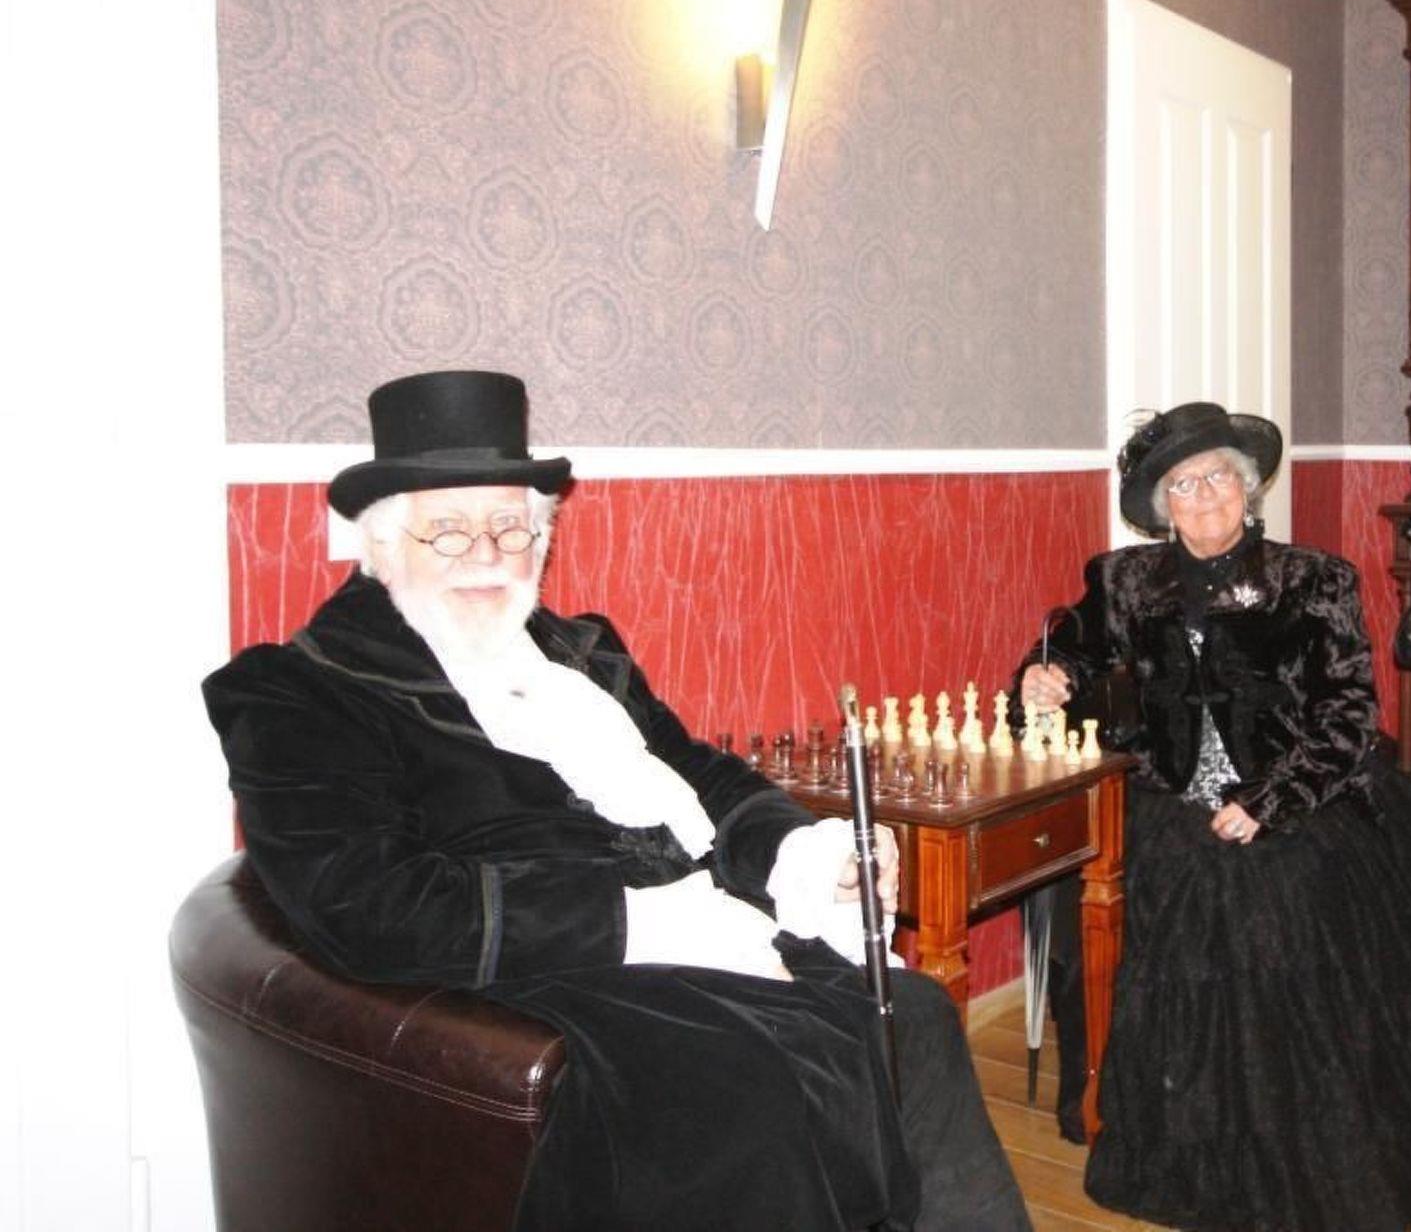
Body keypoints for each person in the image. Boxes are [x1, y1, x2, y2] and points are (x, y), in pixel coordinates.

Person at [202, 369, 1029, 1232]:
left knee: (914, 1015)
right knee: (762, 1079)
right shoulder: (299, 692)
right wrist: (645, 923)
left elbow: (697, 771)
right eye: (446, 530)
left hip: (701, 923)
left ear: (542, 539)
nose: (485, 554)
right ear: (378, 546)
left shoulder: (580, 651)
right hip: (541, 974)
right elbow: (364, 905)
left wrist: (803, 850)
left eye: (510, 527)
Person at [1017, 401, 1411, 1232]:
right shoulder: (1124, 580)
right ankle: (1167, 1120)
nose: (1203, 496)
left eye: (1218, 477)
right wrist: (1042, 675)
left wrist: (1268, 803)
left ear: (1249, 488)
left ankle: (1299, 1128)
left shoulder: (1313, 579)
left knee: (1277, 901)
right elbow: (1068, 650)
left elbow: (1348, 716)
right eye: (1183, 485)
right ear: (1161, 507)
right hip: (1166, 797)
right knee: (1129, 882)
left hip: (1303, 791)